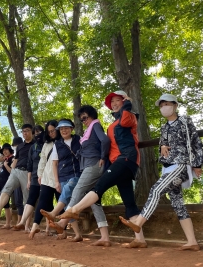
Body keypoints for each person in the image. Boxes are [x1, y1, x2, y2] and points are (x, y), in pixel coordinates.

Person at [58, 90, 147, 248]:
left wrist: (128, 103)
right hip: (119, 162)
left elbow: (126, 122)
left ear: (124, 101)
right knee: (129, 203)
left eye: (117, 100)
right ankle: (140, 239)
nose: (114, 104)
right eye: (112, 102)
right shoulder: (113, 123)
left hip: (126, 159)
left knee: (98, 187)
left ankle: (75, 209)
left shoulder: (129, 116)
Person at [119, 94, 203, 251]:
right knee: (178, 203)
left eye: (167, 104)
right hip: (168, 167)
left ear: (175, 105)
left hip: (182, 164)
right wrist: (162, 147)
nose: (164, 107)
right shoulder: (164, 127)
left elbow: (195, 142)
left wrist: (198, 164)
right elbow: (163, 145)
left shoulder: (185, 121)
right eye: (161, 105)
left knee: (156, 190)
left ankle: (137, 223)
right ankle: (192, 241)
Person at [45, 105, 112, 246]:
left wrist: (103, 157)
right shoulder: (87, 131)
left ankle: (62, 222)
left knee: (77, 190)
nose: (84, 120)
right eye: (82, 119)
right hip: (88, 166)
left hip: (92, 166)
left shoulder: (95, 126)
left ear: (92, 115)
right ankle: (105, 237)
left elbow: (105, 141)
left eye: (85, 117)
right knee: (94, 201)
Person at [37, 119, 83, 242]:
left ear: (72, 129)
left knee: (69, 189)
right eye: (61, 129)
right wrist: (56, 182)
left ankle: (53, 214)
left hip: (76, 174)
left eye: (66, 128)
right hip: (62, 176)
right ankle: (77, 234)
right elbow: (54, 164)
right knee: (69, 204)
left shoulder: (79, 140)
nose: (64, 130)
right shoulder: (57, 144)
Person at [0, 124, 35, 220]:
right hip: (16, 171)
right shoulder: (20, 146)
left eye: (27, 130)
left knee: (26, 199)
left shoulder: (36, 144)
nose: (25, 133)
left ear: (32, 132)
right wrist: (12, 172)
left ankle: (25, 224)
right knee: (6, 189)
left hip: (27, 172)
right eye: (23, 131)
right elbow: (16, 160)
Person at [28, 120, 61, 239]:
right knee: (42, 201)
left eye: (53, 130)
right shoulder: (46, 144)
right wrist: (40, 174)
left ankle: (61, 229)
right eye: (49, 131)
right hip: (47, 176)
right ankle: (35, 225)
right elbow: (42, 161)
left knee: (60, 201)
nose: (52, 133)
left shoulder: (63, 141)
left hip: (60, 176)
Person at [12, 125, 44, 232]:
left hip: (47, 177)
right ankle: (23, 224)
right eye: (36, 132)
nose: (37, 134)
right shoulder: (33, 147)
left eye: (39, 132)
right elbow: (30, 164)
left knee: (45, 201)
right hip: (33, 177)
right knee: (29, 200)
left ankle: (47, 228)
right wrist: (29, 180)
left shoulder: (47, 144)